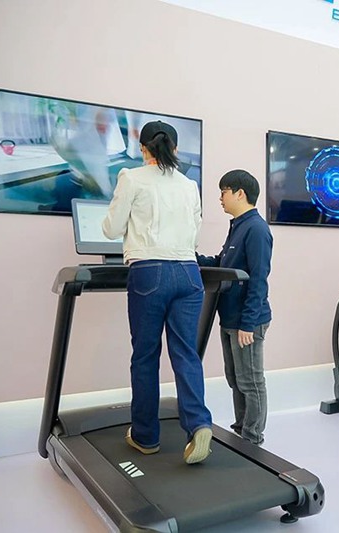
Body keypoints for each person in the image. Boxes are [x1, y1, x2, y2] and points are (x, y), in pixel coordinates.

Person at [102, 120, 212, 464]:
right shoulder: (189, 185)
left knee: (146, 356)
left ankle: (146, 436)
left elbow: (111, 229)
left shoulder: (131, 177)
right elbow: (195, 235)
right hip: (189, 273)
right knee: (186, 354)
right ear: (175, 149)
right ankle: (198, 424)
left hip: (149, 272)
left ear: (142, 148)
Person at [197, 170, 273, 445]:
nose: (220, 198)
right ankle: (241, 429)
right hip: (229, 316)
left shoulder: (256, 229)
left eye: (224, 192)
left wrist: (248, 323)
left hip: (246, 320)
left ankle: (252, 437)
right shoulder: (238, 226)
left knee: (250, 381)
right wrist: (190, 256)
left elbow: (258, 279)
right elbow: (222, 262)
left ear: (240, 194)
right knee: (234, 378)